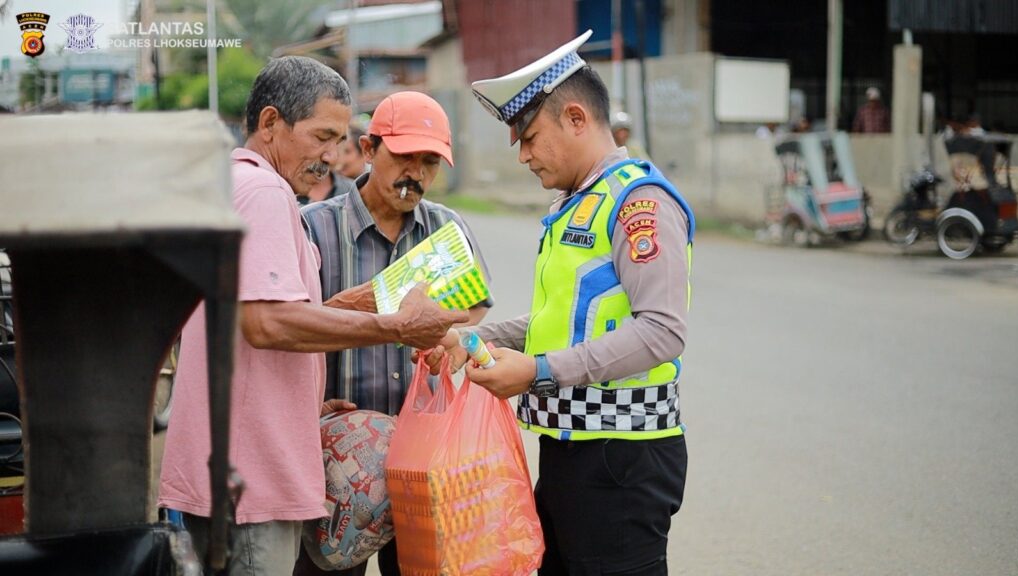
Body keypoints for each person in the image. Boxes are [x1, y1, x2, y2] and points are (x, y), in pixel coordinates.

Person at [158, 56, 468, 576]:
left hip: (233, 466)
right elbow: (268, 323)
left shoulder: (233, 184)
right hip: (252, 481)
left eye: (338, 140)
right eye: (322, 136)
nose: (331, 156)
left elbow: (245, 325)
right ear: (270, 123)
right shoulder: (266, 193)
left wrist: (306, 395)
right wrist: (395, 327)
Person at [427, 30, 694, 575]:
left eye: (529, 138)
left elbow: (663, 331)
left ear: (576, 118)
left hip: (622, 456)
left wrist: (537, 372)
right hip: (572, 448)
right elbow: (564, 320)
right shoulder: (576, 202)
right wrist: (472, 340)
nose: (524, 156)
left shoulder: (636, 202)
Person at [294, 91, 493, 576]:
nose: (416, 174)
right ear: (368, 149)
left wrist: (450, 343)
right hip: (335, 466)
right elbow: (287, 328)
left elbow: (472, 311)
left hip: (423, 464)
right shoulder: (312, 228)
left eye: (429, 162)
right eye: (404, 157)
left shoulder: (446, 229)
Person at [300, 125, 366, 205]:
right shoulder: (290, 186)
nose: (332, 155)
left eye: (339, 143)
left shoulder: (354, 192)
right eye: (321, 139)